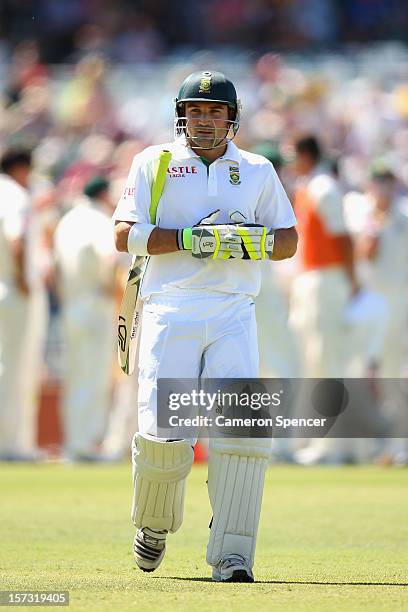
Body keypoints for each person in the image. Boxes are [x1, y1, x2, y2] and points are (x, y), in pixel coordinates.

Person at [113, 70, 297, 582]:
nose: (205, 120)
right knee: (166, 430)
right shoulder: (154, 162)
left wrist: (248, 242)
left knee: (241, 429)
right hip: (171, 307)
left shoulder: (257, 169)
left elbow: (288, 241)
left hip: (234, 310)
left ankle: (234, 553)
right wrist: (192, 238)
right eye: (196, 111)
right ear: (181, 115)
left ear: (232, 119)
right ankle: (152, 524)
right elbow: (125, 236)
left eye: (215, 112)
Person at [54, 176, 118, 461]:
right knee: (94, 377)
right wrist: (116, 293)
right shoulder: (99, 221)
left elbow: (54, 267)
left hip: (71, 304)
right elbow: (109, 259)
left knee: (77, 375)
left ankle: (74, 441)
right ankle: (87, 444)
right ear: (103, 195)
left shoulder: (67, 220)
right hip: (96, 303)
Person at [0, 148, 37, 460]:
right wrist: (24, 280)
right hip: (9, 287)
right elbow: (16, 239)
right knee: (9, 367)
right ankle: (8, 444)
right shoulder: (15, 195)